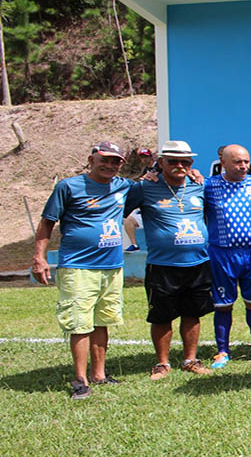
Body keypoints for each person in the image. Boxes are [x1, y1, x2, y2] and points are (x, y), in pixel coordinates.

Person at [32, 142, 132, 399]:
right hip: (78, 266)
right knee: (79, 323)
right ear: (91, 159)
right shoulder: (68, 186)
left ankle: (99, 374)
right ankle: (80, 380)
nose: (110, 165)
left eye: (116, 161)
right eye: (105, 160)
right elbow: (47, 223)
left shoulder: (123, 186)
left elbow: (153, 183)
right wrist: (39, 258)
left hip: (112, 266)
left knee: (103, 320)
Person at [124, 140, 215, 380]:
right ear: (161, 162)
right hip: (163, 265)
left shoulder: (199, 186)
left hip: (197, 262)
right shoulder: (145, 188)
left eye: (184, 161)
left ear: (191, 163)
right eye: (172, 161)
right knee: (162, 316)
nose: (179, 165)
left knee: (192, 314)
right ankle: (162, 363)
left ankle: (190, 360)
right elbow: (119, 210)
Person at [203, 144, 251, 368]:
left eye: (246, 162)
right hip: (222, 255)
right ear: (223, 163)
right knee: (223, 305)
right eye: (237, 162)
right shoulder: (208, 186)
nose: (243, 166)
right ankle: (222, 351)